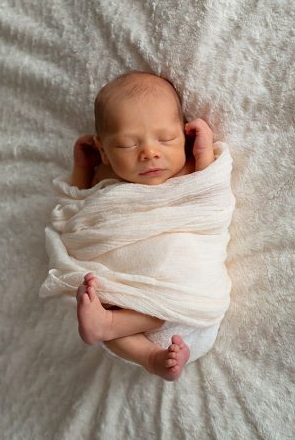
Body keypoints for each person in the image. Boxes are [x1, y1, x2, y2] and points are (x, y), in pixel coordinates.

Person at [70, 71, 216, 380]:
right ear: (103, 150)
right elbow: (76, 209)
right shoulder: (104, 175)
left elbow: (211, 195)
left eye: (166, 139)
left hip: (182, 295)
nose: (150, 152)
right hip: (122, 287)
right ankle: (148, 355)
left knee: (181, 282)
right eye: (126, 145)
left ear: (184, 136)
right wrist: (82, 168)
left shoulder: (189, 170)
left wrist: (203, 152)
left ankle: (111, 326)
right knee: (99, 295)